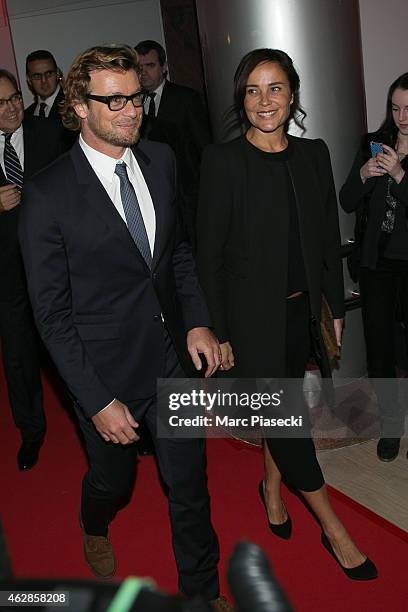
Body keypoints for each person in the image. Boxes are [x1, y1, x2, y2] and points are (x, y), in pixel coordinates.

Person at [19, 45, 232, 611]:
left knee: (189, 487)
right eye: (112, 100)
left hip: (172, 362)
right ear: (79, 107)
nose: (129, 110)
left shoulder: (161, 159)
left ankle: (202, 592)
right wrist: (95, 401)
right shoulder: (46, 195)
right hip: (106, 374)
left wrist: (199, 323)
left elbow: (177, 255)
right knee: (112, 482)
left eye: (134, 96)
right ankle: (94, 521)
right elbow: (52, 316)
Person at [196, 48, 377, 581]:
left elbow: (324, 237)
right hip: (250, 327)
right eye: (253, 90)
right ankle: (335, 531)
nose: (264, 100)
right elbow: (209, 254)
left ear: (293, 94)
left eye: (275, 88)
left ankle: (271, 486)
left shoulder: (312, 154)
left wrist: (332, 306)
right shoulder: (223, 162)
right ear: (241, 99)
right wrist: (220, 330)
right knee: (289, 424)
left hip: (303, 317)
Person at [0, 68, 67, 470]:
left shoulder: (50, 133)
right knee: (18, 358)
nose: (10, 108)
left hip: (54, 266)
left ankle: (109, 418)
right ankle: (31, 432)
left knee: (70, 350)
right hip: (6, 275)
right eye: (0, 103)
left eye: (12, 99)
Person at [340, 73, 408, 462]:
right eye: (396, 107)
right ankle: (391, 424)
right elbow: (348, 199)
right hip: (376, 264)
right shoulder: (372, 144)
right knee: (379, 347)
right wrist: (365, 174)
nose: (401, 116)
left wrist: (399, 173)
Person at [135, 39, 211, 250]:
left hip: (185, 192)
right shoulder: (131, 102)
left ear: (164, 67)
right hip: (147, 192)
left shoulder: (186, 98)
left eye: (150, 65)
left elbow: (203, 146)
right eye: (139, 67)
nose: (143, 72)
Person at [25, 50, 64, 118]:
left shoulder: (73, 106)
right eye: (37, 76)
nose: (44, 81)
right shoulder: (26, 115)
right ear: (29, 80)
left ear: (57, 73)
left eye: (49, 74)